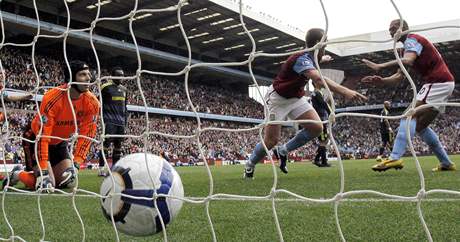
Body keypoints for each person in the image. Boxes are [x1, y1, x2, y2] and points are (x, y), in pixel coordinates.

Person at [244, 28, 367, 178]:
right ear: (317, 43)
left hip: (296, 99)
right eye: (325, 40)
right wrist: (345, 91)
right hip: (277, 100)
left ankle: (283, 150)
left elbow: (314, 62)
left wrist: (323, 59)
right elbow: (318, 79)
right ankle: (250, 164)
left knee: (317, 127)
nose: (326, 42)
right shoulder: (301, 59)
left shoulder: (311, 56)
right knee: (271, 140)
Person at [361, 19, 456, 172]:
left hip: (437, 82)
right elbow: (399, 76)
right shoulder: (405, 48)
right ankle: (446, 163)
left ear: (404, 28)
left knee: (408, 115)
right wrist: (382, 81)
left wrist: (380, 66)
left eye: (393, 28)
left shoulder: (412, 39)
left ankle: (395, 157)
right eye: (389, 29)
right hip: (444, 83)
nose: (391, 32)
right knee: (421, 126)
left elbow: (409, 60)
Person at [2, 60, 100, 191]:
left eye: (89, 74)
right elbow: (43, 136)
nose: (89, 78)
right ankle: (17, 174)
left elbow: (87, 134)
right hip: (36, 139)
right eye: (82, 74)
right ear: (70, 78)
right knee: (47, 185)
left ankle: (39, 175)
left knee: (68, 182)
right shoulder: (52, 98)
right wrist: (43, 169)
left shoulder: (92, 103)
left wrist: (76, 163)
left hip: (59, 143)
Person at [98, 67, 128, 177]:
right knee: (106, 144)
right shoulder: (105, 87)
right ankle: (102, 168)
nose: (121, 77)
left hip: (120, 122)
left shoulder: (124, 89)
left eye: (122, 75)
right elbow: (98, 102)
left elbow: (125, 106)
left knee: (118, 145)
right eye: (119, 75)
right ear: (112, 76)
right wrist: (101, 118)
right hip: (109, 121)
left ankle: (114, 168)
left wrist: (126, 122)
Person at [311, 87, 331, 167]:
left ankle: (317, 159)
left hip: (320, 118)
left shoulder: (315, 93)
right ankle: (323, 162)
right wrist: (330, 112)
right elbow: (323, 103)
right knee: (323, 141)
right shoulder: (317, 93)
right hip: (321, 118)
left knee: (325, 140)